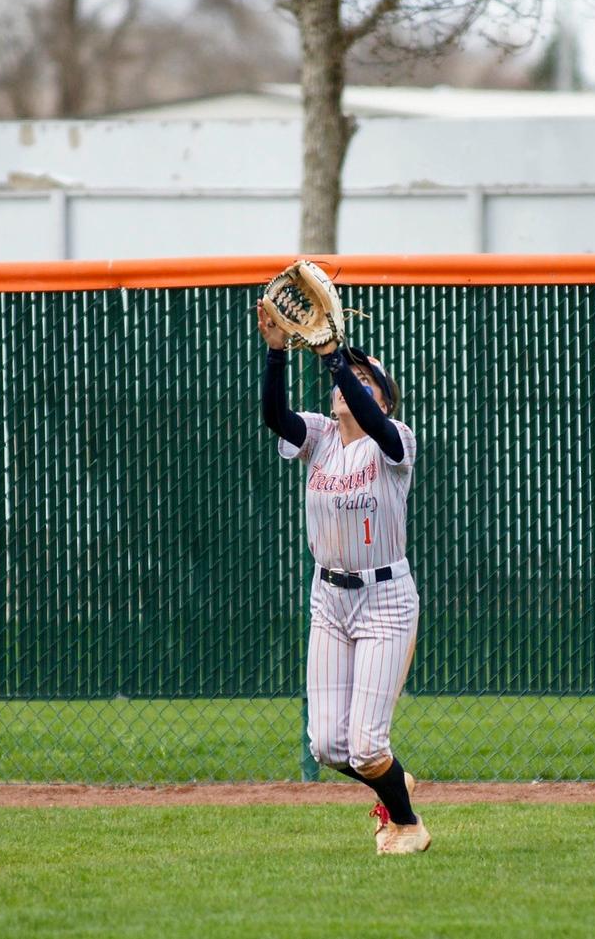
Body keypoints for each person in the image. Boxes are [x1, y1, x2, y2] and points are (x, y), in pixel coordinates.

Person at [255, 301, 430, 855]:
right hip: (328, 598)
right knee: (329, 744)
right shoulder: (321, 435)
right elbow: (275, 418)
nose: (348, 384)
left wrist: (335, 357)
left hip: (385, 600)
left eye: (363, 377)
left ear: (382, 396)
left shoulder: (394, 440)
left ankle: (406, 824)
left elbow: (373, 418)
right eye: (345, 376)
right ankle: (393, 782)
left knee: (367, 745)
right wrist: (277, 351)